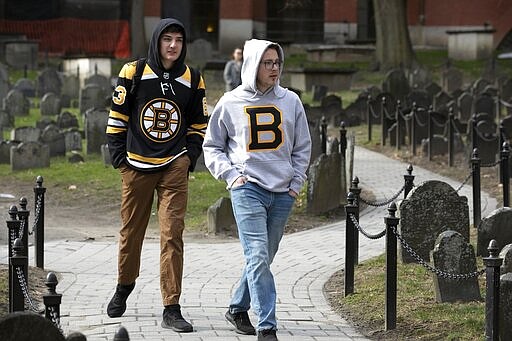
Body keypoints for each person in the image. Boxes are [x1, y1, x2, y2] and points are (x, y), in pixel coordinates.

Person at [202, 39, 311, 341]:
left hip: (283, 193)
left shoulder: (290, 101)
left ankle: (237, 306)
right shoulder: (230, 101)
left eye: (277, 62)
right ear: (252, 64)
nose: (275, 68)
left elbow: (303, 146)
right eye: (268, 63)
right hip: (248, 188)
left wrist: (296, 183)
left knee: (262, 257)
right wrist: (232, 177)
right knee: (259, 255)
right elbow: (211, 146)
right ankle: (267, 326)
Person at [105, 18, 208, 333]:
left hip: (174, 165)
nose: (173, 45)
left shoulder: (193, 78)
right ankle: (124, 285)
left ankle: (171, 306)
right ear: (156, 41)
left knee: (172, 234)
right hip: (136, 165)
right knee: (131, 232)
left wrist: (189, 158)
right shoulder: (133, 72)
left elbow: (198, 123)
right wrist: (120, 160)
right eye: (167, 39)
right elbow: (117, 117)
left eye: (178, 39)